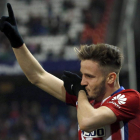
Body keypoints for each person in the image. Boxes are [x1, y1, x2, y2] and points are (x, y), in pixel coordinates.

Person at [0, 3, 140, 140]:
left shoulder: (130, 99)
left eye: (90, 76)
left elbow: (87, 122)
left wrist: (79, 93)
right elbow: (37, 76)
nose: (83, 82)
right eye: (82, 75)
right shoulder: (86, 98)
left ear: (110, 78)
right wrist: (16, 42)